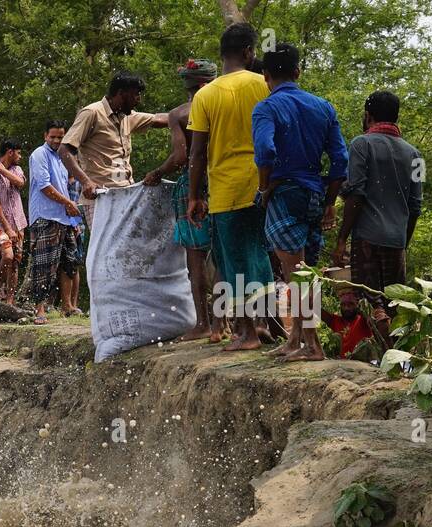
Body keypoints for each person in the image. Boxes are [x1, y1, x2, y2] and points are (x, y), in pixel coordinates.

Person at [253, 42, 349, 362]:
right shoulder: (323, 107)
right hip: (314, 192)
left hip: (284, 191)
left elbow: (265, 152)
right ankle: (295, 340)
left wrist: (264, 188)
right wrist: (330, 201)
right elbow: (339, 160)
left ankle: (313, 346)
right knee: (302, 268)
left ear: (266, 75)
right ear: (297, 72)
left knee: (295, 272)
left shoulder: (266, 107)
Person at [187, 22, 275, 351]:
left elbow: (197, 152)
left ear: (223, 55)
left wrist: (195, 196)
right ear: (249, 52)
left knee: (232, 260)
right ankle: (264, 323)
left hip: (225, 189)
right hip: (262, 184)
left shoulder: (206, 94)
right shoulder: (264, 84)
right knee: (260, 254)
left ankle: (246, 332)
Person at [332, 90, 423, 344]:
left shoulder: (361, 144)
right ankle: (400, 363)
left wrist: (342, 239)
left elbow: (356, 194)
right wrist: (403, 241)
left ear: (368, 115)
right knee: (395, 304)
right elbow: (415, 205)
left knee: (374, 304)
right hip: (397, 239)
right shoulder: (415, 155)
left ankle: (387, 359)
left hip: (367, 238)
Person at [144, 58, 222, 342]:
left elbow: (181, 158)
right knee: (224, 255)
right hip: (225, 182)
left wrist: (157, 172)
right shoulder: (225, 106)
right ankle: (222, 323)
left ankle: (203, 323)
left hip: (194, 187)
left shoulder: (179, 114)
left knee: (196, 258)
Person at [60, 72, 169, 230]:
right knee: (105, 251)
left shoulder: (126, 117)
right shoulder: (92, 113)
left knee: (126, 250)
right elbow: (65, 150)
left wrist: (194, 108)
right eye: (136, 95)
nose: (139, 99)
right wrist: (85, 181)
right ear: (121, 93)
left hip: (126, 194)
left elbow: (160, 119)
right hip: (101, 198)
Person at [25, 120, 85, 320]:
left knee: (70, 262)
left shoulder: (63, 159)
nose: (57, 140)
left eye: (60, 137)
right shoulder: (39, 154)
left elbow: (67, 187)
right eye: (53, 136)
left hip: (65, 218)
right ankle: (39, 310)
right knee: (43, 264)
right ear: (45, 136)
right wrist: (68, 203)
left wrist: (72, 216)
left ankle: (67, 305)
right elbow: (44, 186)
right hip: (45, 215)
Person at [0, 139, 27, 305]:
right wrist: (8, 228)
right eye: (18, 152)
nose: (20, 156)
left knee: (15, 262)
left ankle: (10, 300)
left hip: (19, 223)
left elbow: (20, 182)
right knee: (7, 256)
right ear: (10, 152)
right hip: (1, 225)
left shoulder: (16, 169)